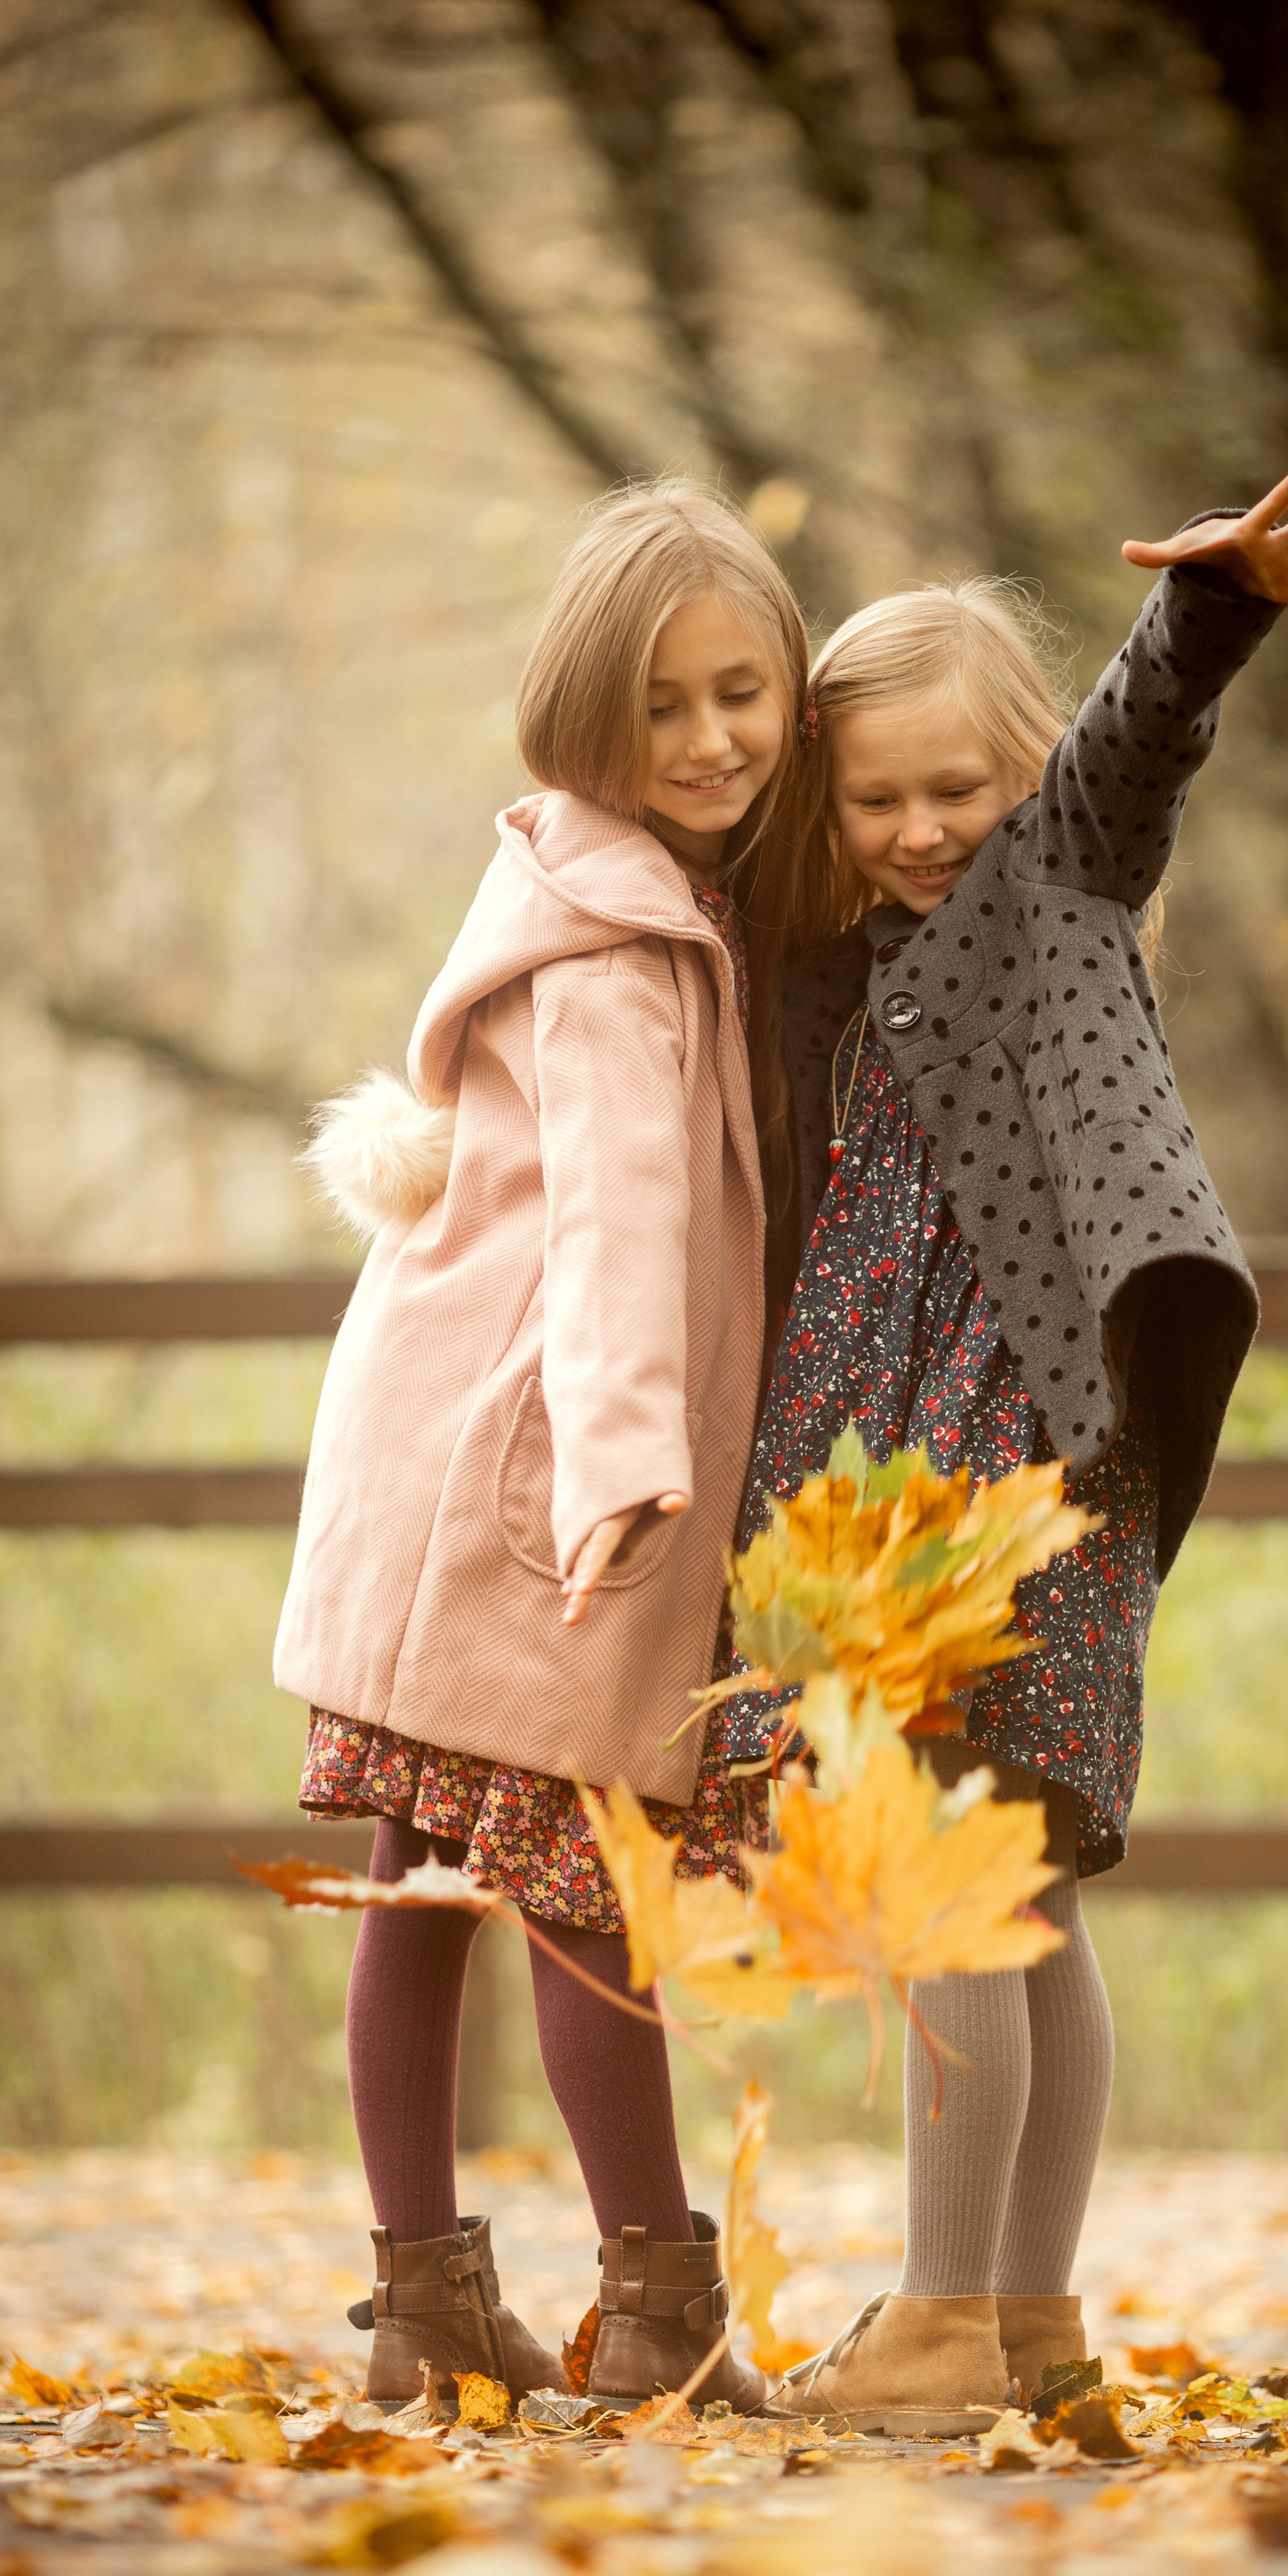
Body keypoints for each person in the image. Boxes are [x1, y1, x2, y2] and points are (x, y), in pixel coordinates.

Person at [731, 470, 1288, 2434]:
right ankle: (1024, 2318)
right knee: (1023, 1900)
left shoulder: (1049, 905)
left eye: (964, 789)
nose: (926, 830)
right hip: (889, 1513)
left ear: (1026, 791)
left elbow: (1123, 755)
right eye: (879, 801)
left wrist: (1198, 618)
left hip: (1010, 1487)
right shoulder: (835, 985)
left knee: (942, 1890)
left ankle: (934, 2319)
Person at [275, 481, 815, 2415]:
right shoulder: (612, 941)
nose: (708, 740)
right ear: (586, 713)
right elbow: (606, 1226)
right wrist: (617, 1469)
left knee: (426, 1868)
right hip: (535, 1475)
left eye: (741, 692)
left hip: (453, 1450)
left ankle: (424, 2303)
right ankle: (655, 2299)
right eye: (661, 705)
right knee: (582, 1879)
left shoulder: (627, 888)